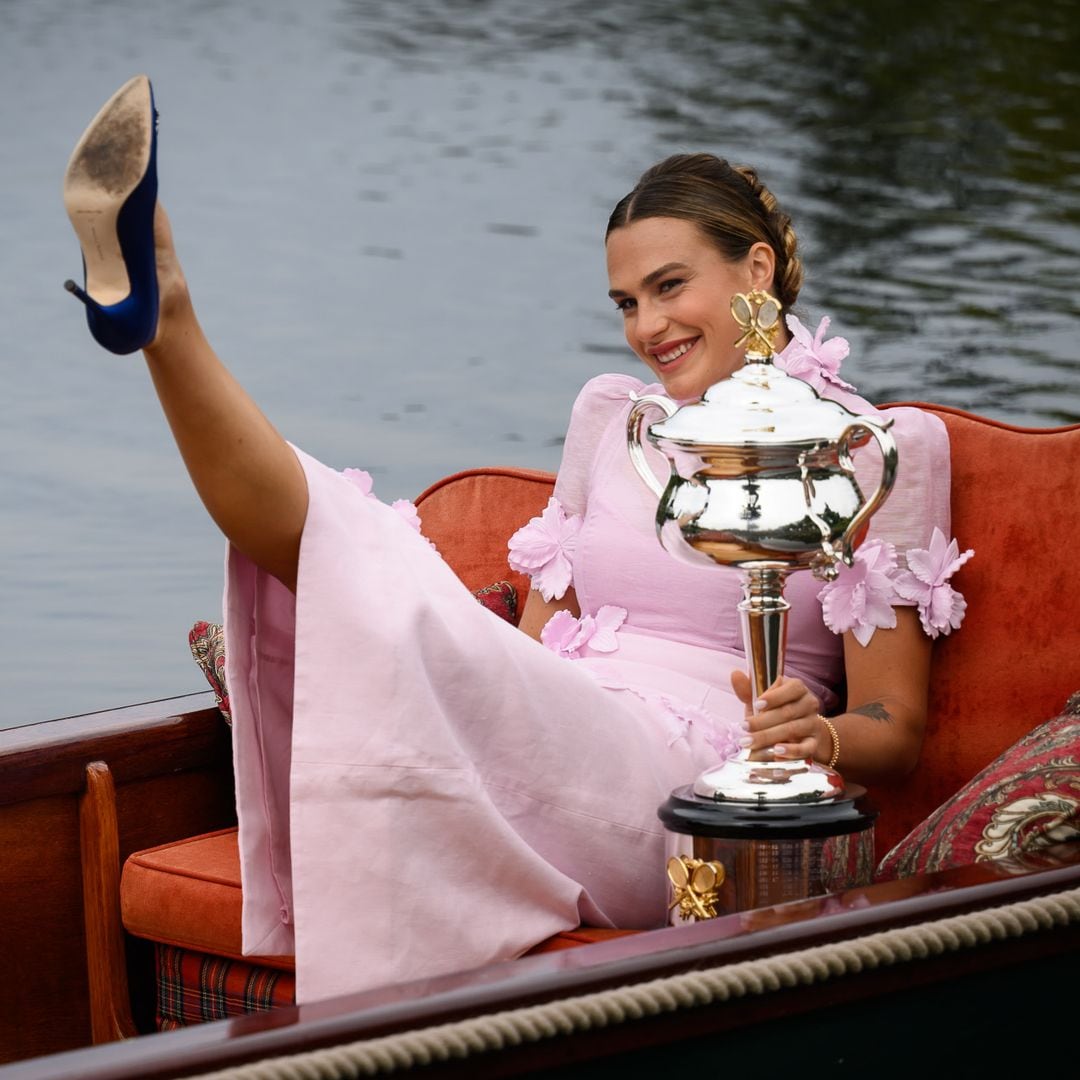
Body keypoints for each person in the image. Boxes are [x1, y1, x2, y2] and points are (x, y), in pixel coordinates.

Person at [62, 76, 969, 1004]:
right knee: (369, 579)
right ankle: (162, 319)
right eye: (625, 302)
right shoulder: (611, 418)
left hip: (690, 785)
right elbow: (527, 655)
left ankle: (169, 312)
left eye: (668, 288)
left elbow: (895, 734)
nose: (646, 327)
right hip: (563, 724)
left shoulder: (880, 450)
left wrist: (813, 735)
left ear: (757, 272)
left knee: (375, 574)